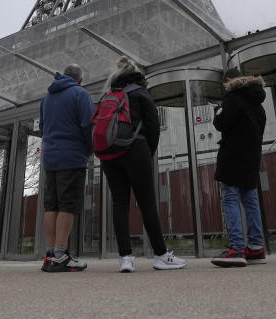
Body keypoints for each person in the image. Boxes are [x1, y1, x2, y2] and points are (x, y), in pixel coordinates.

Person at [99, 57, 186, 273]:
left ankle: (126, 258)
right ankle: (160, 255)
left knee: (119, 203)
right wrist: (148, 153)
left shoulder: (108, 95)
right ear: (136, 73)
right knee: (147, 203)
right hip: (136, 149)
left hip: (109, 154)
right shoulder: (140, 92)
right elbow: (153, 127)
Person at [39, 63, 95, 272]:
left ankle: (50, 254)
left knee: (51, 205)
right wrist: (89, 150)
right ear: (80, 79)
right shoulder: (80, 94)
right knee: (67, 205)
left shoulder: (46, 98)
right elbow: (88, 124)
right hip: (72, 157)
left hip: (50, 158)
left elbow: (43, 128)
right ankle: (61, 255)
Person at [211, 66, 267, 267]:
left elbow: (221, 123)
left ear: (228, 80)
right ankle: (256, 248)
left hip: (233, 157)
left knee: (231, 199)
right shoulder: (258, 104)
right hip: (251, 158)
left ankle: (236, 249)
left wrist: (217, 110)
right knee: (250, 200)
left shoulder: (233, 99)